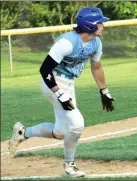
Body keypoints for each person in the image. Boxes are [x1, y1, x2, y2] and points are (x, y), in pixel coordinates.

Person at [9, 6, 115, 178]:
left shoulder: (96, 43)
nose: (103, 25)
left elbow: (96, 67)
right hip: (52, 82)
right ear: (89, 26)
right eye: (100, 23)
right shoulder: (66, 42)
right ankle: (69, 166)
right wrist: (59, 94)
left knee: (61, 133)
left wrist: (104, 91)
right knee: (77, 124)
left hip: (68, 83)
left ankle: (23, 133)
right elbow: (45, 70)